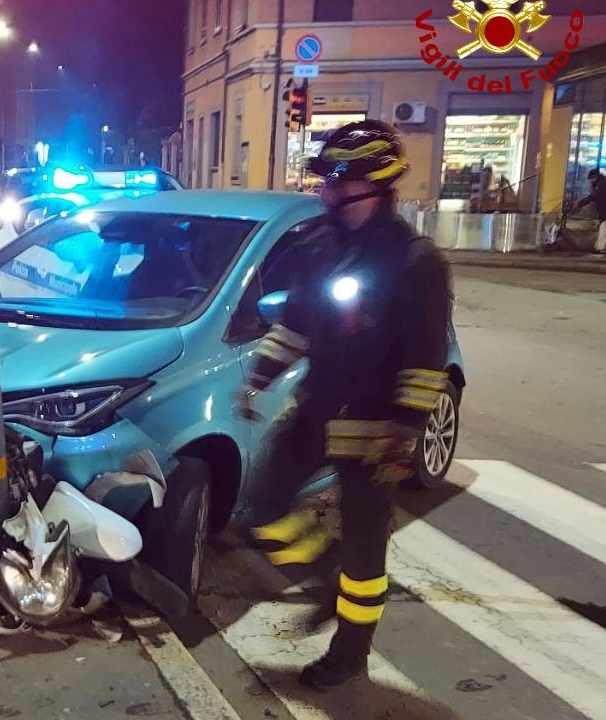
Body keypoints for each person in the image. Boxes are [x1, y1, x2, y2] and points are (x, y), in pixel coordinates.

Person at [237, 119, 453, 690]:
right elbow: (296, 326)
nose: (325, 192)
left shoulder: (416, 262)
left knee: (364, 551)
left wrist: (405, 429)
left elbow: (426, 359)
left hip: (376, 427)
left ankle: (349, 652)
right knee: (263, 508)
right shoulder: (318, 246)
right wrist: (259, 376)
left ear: (373, 185)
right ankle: (323, 569)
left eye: (335, 180)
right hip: (318, 410)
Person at [574, 168, 606, 254]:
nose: (590, 181)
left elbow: (593, 196)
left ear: (594, 177)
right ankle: (600, 247)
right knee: (604, 229)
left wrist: (579, 204)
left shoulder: (601, 185)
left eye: (591, 179)